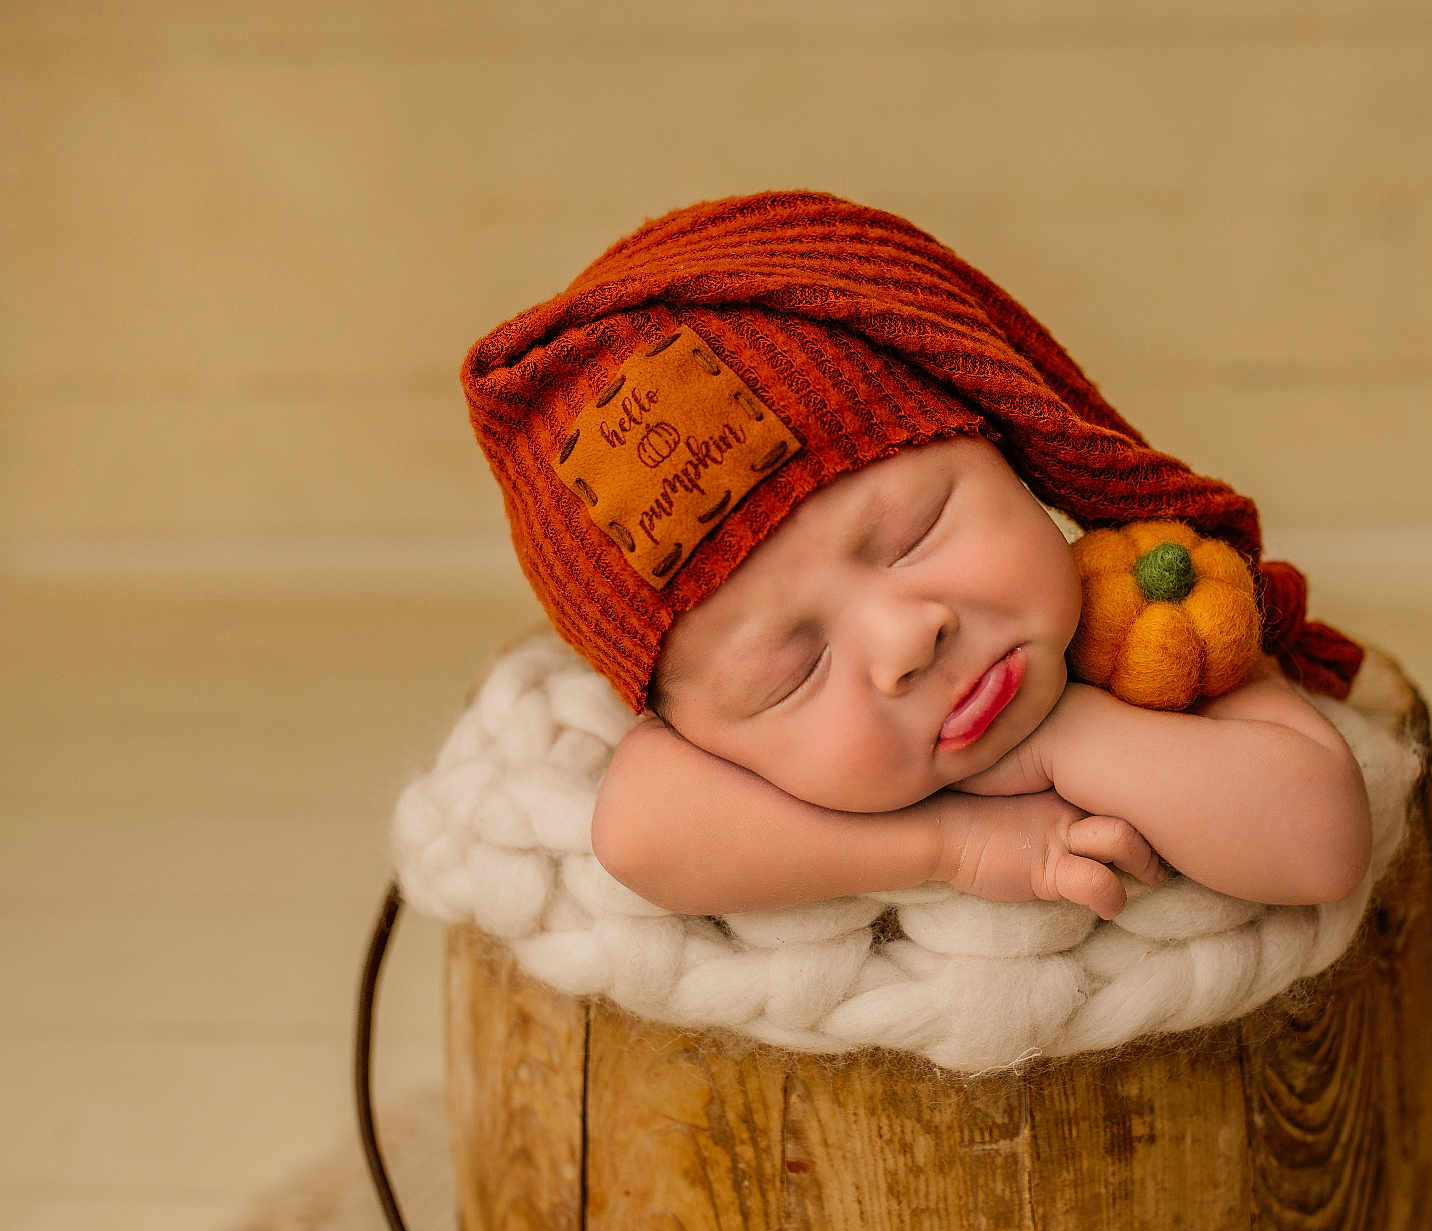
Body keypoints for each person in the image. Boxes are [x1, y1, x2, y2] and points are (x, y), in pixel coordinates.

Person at [459, 190, 1374, 925]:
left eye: (915, 533)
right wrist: (956, 844)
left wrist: (1072, 737)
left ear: (1012, 451)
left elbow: (1322, 840)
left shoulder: (1140, 627)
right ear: (695, 733)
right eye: (794, 671)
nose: (908, 639)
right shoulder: (708, 770)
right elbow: (639, 831)